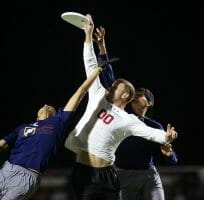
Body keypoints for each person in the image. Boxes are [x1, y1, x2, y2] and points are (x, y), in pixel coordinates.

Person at [64, 13, 178, 200]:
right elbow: (90, 63)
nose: (111, 84)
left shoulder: (128, 120)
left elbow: (153, 134)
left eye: (116, 85)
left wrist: (167, 136)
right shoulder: (98, 94)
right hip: (81, 171)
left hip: (106, 175)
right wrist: (88, 35)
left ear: (124, 95)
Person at [0, 64, 106, 200]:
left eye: (49, 106)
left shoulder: (58, 122)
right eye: (44, 104)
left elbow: (80, 92)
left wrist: (97, 71)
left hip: (28, 176)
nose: (45, 105)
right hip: (5, 170)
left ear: (54, 113)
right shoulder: (21, 128)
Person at [93, 25, 178, 200]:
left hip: (148, 176)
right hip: (122, 175)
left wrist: (169, 152)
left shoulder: (153, 126)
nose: (133, 97)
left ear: (149, 102)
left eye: (138, 95)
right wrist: (102, 47)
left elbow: (172, 160)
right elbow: (110, 79)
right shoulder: (120, 116)